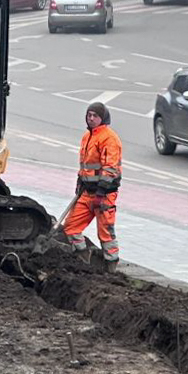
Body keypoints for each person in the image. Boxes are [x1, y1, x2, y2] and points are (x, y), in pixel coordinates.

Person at [62, 101, 122, 264]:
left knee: (106, 234)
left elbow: (110, 168)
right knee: (71, 228)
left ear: (102, 118)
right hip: (87, 192)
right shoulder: (87, 136)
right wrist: (79, 183)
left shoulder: (109, 139)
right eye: (89, 115)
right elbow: (85, 165)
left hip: (104, 196)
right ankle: (82, 260)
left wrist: (101, 192)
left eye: (95, 116)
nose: (91, 118)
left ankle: (111, 265)